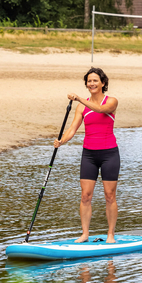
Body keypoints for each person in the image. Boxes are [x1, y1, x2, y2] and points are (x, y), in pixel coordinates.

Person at [54, 67, 120, 243]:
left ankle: (111, 234)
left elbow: (99, 109)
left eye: (95, 80)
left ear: (103, 83)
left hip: (109, 154)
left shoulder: (111, 101)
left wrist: (80, 99)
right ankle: (85, 234)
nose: (91, 83)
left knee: (109, 195)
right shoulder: (81, 108)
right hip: (89, 154)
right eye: (89, 81)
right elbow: (72, 129)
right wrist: (62, 141)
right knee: (85, 196)